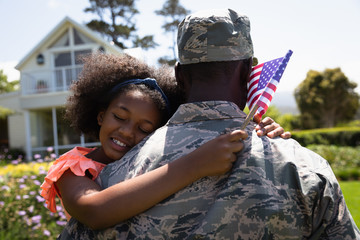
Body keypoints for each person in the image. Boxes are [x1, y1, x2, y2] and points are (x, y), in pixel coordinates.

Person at [60, 8, 359, 239]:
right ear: (248, 73)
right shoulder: (304, 167)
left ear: (179, 77)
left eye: (142, 126)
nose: (128, 132)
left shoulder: (112, 179)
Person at [40, 53, 287, 230]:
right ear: (100, 115)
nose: (127, 132)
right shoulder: (73, 167)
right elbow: (94, 211)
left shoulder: (152, 156)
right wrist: (196, 164)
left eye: (144, 128)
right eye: (119, 117)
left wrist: (262, 127)